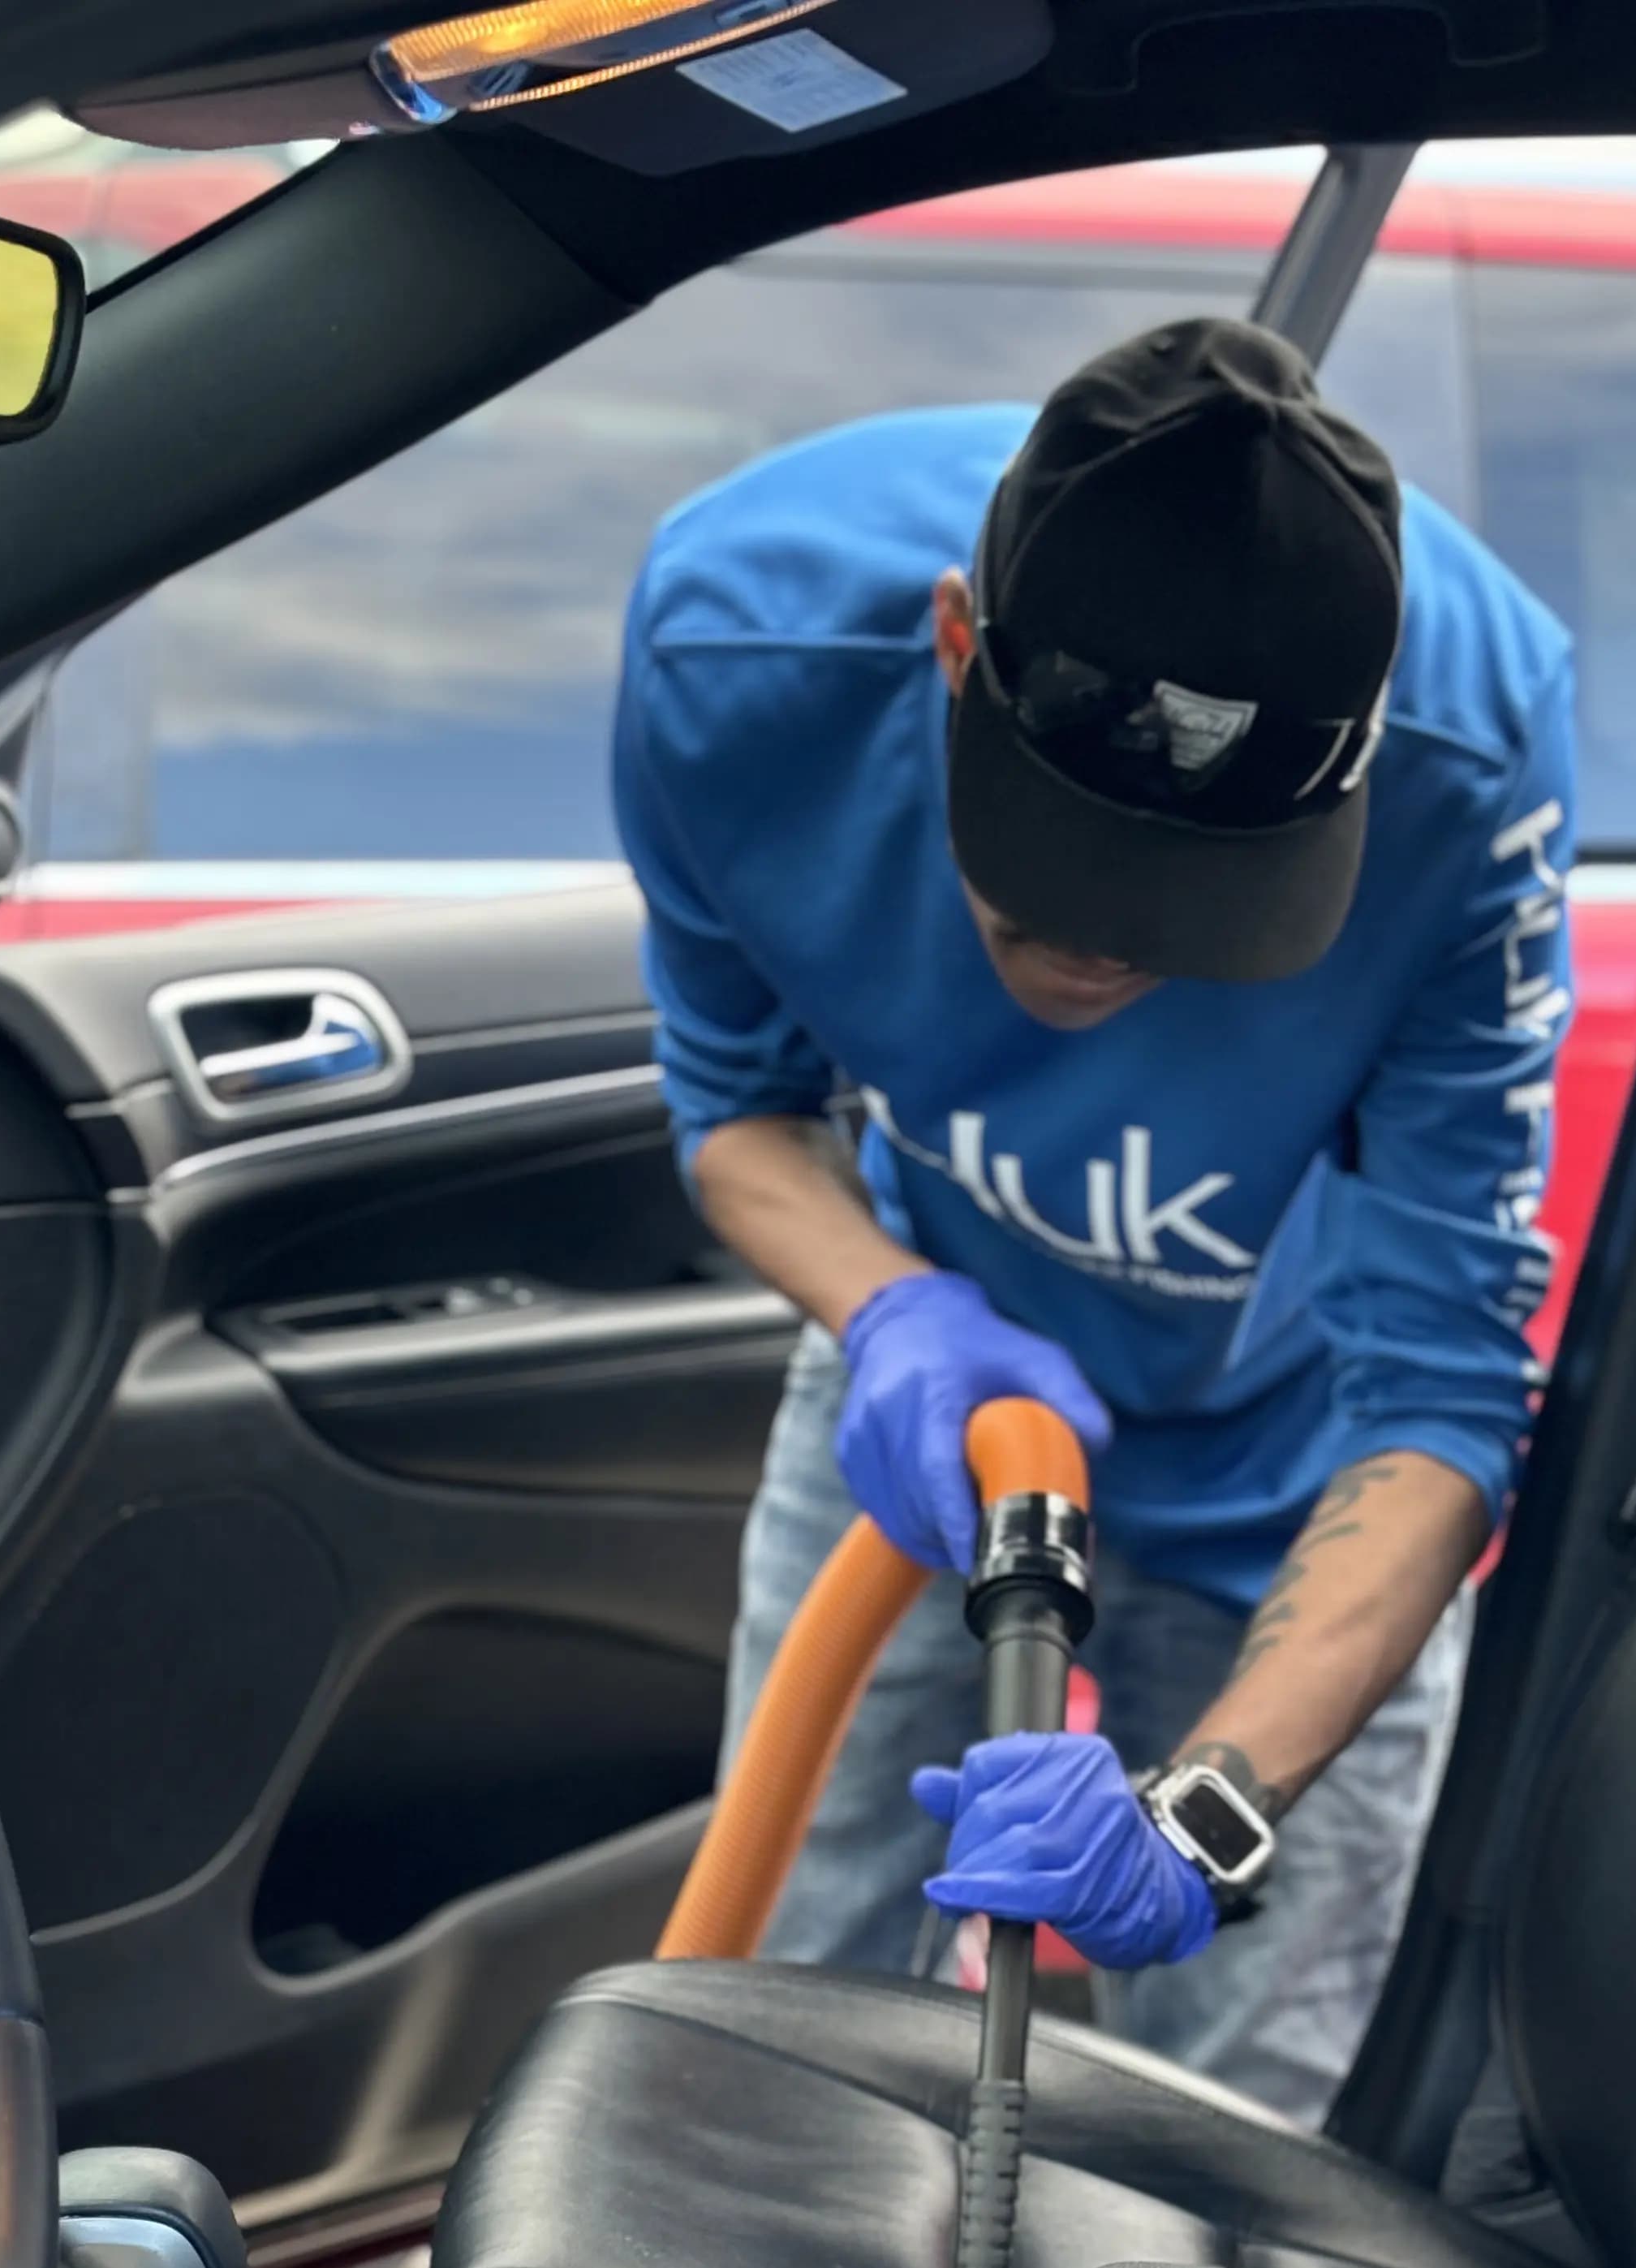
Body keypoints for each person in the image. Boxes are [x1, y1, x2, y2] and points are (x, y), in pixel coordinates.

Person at [614, 316, 1572, 2124]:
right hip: (925, 1405)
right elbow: (737, 1117)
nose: (1106, 948)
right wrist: (894, 1315)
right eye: (1059, 872)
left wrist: (1202, 1818)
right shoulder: (735, 649)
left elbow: (1445, 1391)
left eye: (1191, 907)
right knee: (759, 2037)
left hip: (1302, 1460)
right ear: (958, 647)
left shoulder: (1470, 747)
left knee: (1248, 2133)